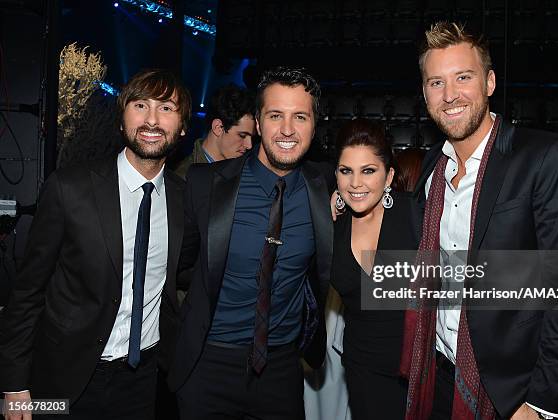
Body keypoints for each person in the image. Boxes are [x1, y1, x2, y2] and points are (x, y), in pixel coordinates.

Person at [400, 22, 558, 420]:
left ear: (489, 82)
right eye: (436, 82)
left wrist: (540, 404)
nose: (450, 95)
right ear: (424, 94)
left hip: (510, 395)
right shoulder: (432, 169)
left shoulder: (548, 157)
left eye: (463, 78)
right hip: (436, 375)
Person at [0, 68, 191, 419]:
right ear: (122, 120)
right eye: (140, 105)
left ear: (182, 127)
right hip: (62, 378)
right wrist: (13, 385)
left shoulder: (185, 199)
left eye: (166, 108)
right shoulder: (69, 188)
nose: (151, 119)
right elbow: (27, 292)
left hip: (143, 379)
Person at [168, 66, 334, 420]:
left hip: (281, 370)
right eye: (276, 115)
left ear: (314, 125)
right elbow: (179, 268)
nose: (287, 130)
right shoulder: (204, 184)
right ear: (258, 122)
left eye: (300, 117)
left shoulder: (327, 187)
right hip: (207, 366)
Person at [331, 119, 420, 420]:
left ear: (389, 176)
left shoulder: (414, 214)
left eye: (368, 171)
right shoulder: (332, 225)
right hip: (363, 373)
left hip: (418, 374)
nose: (356, 183)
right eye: (346, 171)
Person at [173, 84, 256, 178]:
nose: (249, 145)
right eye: (242, 135)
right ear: (218, 127)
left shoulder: (245, 173)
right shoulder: (184, 179)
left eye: (252, 137)